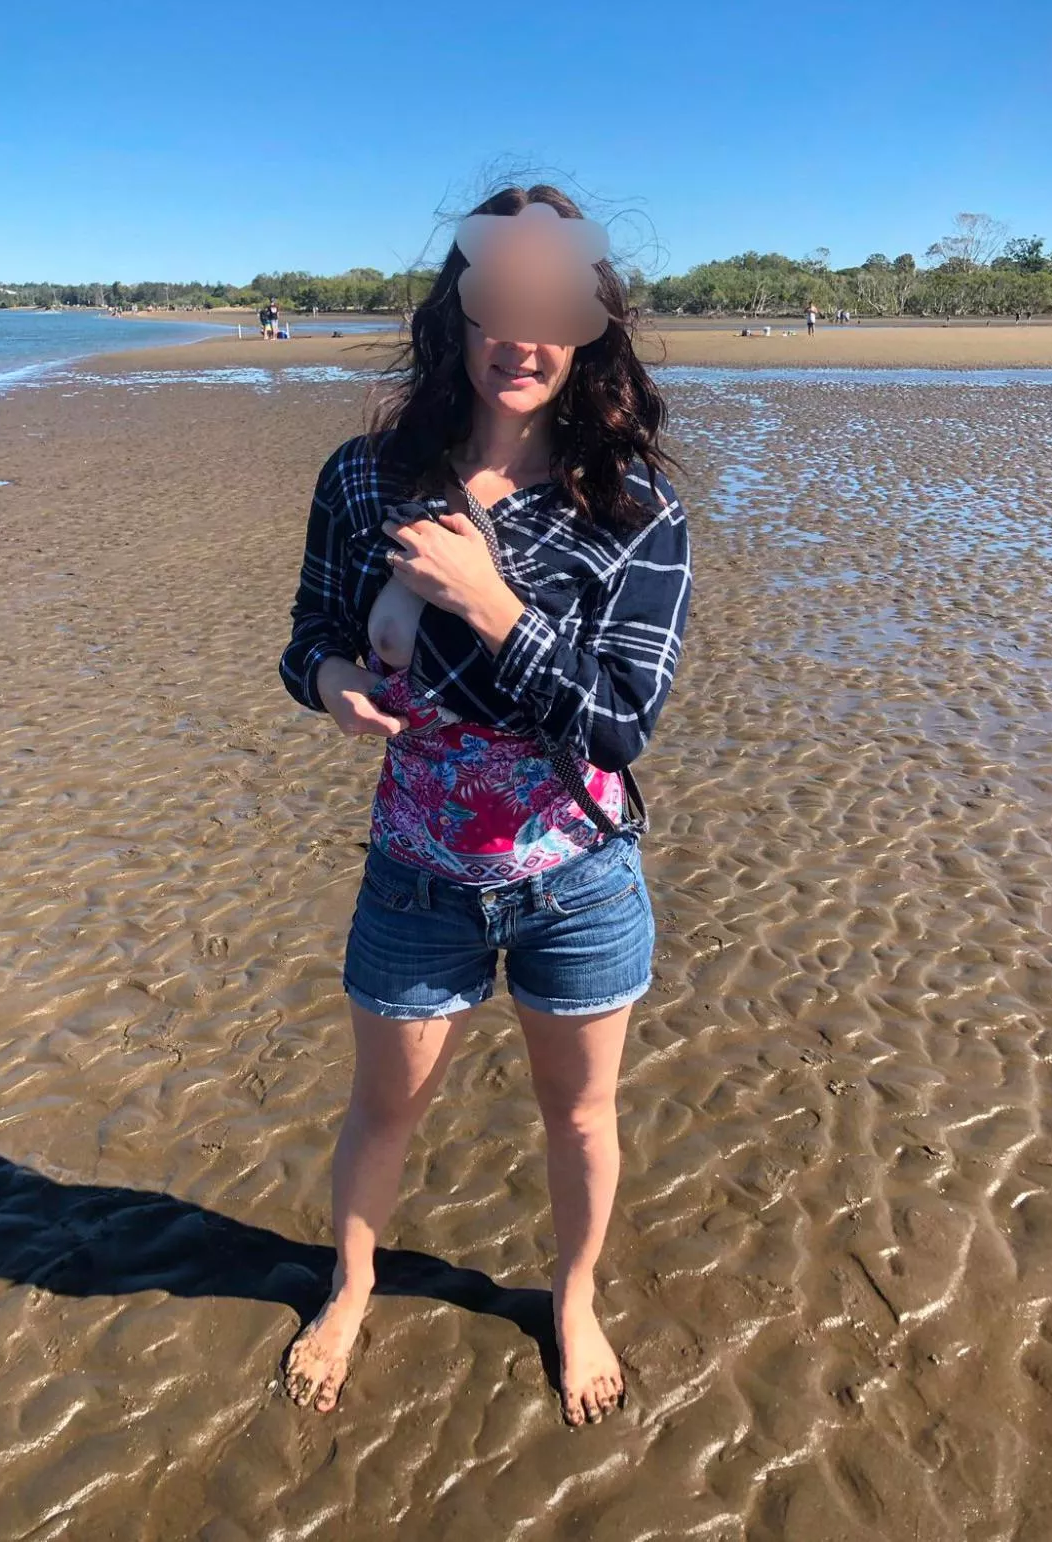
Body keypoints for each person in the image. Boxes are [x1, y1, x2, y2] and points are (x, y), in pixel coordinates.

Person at [278, 183, 691, 1428]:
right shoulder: (364, 480)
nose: (523, 335)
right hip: (416, 871)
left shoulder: (633, 511)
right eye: (497, 301)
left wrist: (488, 600)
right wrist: (338, 680)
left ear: (590, 327)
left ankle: (571, 1297)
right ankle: (350, 1287)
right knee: (382, 1107)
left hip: (577, 876)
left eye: (552, 306)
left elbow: (621, 725)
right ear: (456, 314)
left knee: (579, 1114)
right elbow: (303, 636)